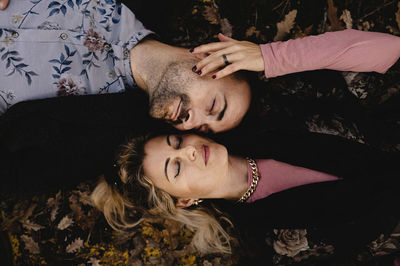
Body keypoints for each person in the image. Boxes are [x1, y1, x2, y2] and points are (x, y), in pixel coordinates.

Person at [1, 0, 400, 133]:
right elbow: (390, 50)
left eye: (202, 129)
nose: (191, 123)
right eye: (215, 108)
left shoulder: (86, 122)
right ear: (213, 60)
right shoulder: (130, 7)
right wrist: (268, 57)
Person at [91, 131, 400, 256]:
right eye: (176, 168)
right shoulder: (271, 240)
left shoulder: (271, 125)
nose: (190, 151)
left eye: (176, 141)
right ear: (184, 201)